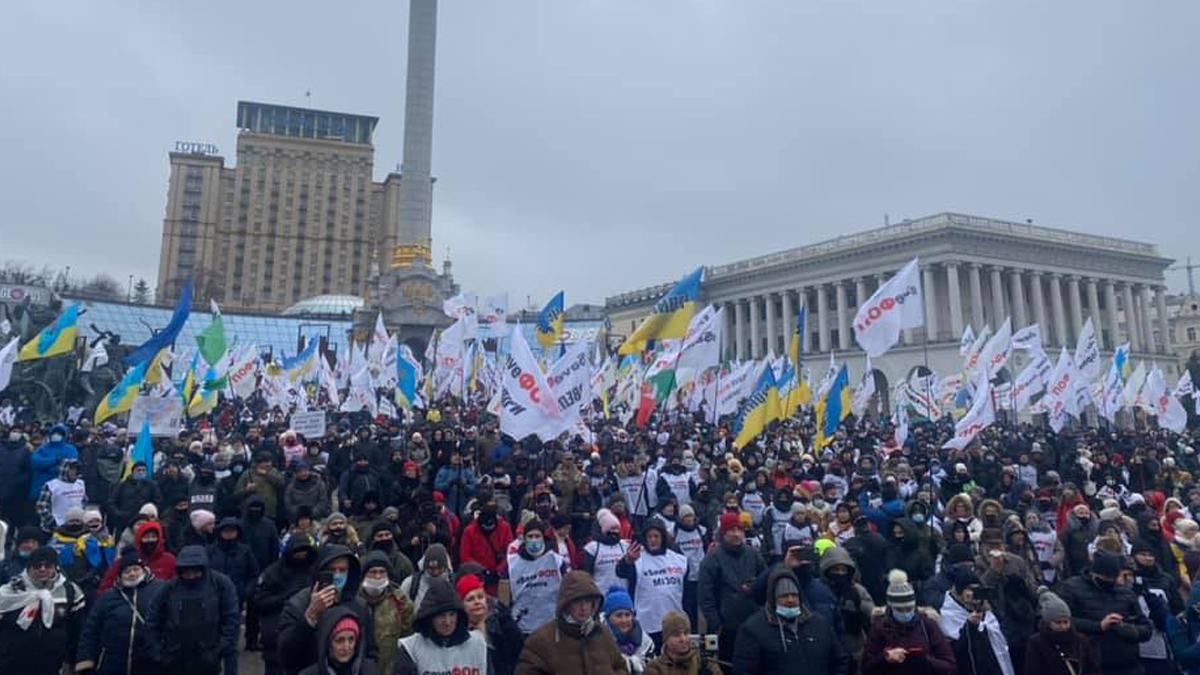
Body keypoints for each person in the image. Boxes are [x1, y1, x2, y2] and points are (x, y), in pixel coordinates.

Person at [276, 543, 377, 675]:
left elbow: (369, 651)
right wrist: (310, 616)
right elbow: (285, 654)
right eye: (332, 570)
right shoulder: (298, 604)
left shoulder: (360, 606)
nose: (337, 575)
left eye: (342, 570)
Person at [733, 566, 849, 675]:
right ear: (773, 598)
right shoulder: (753, 629)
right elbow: (744, 671)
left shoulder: (819, 624)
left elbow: (840, 660)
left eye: (794, 595)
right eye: (784, 596)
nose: (790, 600)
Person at [145, 545, 241, 675]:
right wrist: (159, 654)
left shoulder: (221, 584)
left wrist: (219, 649)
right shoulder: (169, 588)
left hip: (209, 658)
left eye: (195, 571)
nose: (191, 576)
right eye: (186, 572)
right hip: (175, 659)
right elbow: (152, 619)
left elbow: (232, 619)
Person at [1057, 549, 1152, 675]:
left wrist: (1132, 631)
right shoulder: (1071, 588)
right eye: (1105, 577)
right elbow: (1063, 622)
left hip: (1127, 663)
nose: (1109, 581)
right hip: (1090, 663)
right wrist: (1098, 626)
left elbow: (1146, 627)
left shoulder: (1126, 593)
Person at [516, 569, 627, 675]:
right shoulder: (541, 640)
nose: (583, 608)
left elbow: (620, 667)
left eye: (588, 601)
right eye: (577, 602)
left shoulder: (602, 633)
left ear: (594, 604)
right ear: (567, 604)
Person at [0, 545, 86, 675]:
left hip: (52, 663)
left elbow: (76, 630)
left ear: (55, 567)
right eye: (37, 566)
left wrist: (71, 660)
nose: (42, 569)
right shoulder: (10, 591)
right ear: (28, 567)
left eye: (48, 566)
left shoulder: (70, 591)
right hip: (12, 664)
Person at [74, 551, 164, 675]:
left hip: (150, 664)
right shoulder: (107, 598)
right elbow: (91, 630)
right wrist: (85, 661)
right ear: (120, 576)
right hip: (113, 664)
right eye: (127, 571)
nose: (132, 574)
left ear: (143, 570)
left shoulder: (160, 591)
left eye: (135, 569)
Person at [699, 512, 767, 666]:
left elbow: (765, 580)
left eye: (739, 530)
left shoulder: (753, 554)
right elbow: (705, 594)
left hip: (753, 621)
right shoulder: (712, 559)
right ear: (723, 533)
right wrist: (716, 622)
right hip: (727, 627)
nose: (736, 534)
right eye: (731, 530)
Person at [861, 569, 957, 675]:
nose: (906, 613)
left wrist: (926, 660)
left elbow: (949, 664)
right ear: (891, 607)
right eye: (900, 610)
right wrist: (885, 658)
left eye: (909, 608)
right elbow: (866, 668)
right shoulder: (880, 628)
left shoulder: (928, 625)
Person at [253, 533, 318, 675]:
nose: (301, 557)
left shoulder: (315, 572)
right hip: (275, 639)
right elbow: (259, 601)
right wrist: (285, 598)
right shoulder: (273, 572)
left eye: (304, 553)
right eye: (297, 553)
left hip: (307, 642)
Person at [394, 577, 488, 675]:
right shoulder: (411, 649)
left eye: (452, 614)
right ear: (430, 618)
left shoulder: (478, 644)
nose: (447, 622)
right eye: (441, 616)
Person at [617, 519, 689, 645]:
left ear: (663, 537)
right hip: (648, 623)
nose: (653, 540)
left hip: (674, 621)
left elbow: (687, 588)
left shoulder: (677, 558)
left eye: (656, 536)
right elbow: (621, 572)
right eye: (649, 536)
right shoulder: (638, 559)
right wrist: (628, 560)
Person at [938, 566, 1015, 675]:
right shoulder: (949, 615)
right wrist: (969, 626)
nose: (974, 593)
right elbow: (955, 649)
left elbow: (1000, 643)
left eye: (977, 589)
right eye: (969, 589)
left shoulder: (987, 614)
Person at [506, 519, 569, 635]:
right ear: (524, 539)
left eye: (537, 536)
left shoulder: (556, 561)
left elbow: (567, 589)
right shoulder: (512, 563)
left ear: (543, 537)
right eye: (530, 536)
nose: (534, 539)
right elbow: (505, 597)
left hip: (551, 624)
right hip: (523, 626)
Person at [357, 550, 414, 675]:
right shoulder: (354, 600)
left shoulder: (401, 602)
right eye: (373, 572)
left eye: (382, 572)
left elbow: (408, 639)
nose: (378, 576)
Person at [458, 570, 524, 675]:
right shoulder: (458, 630)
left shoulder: (502, 622)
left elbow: (517, 651)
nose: (477, 602)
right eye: (470, 599)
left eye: (480, 597)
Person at [1023, 589, 1100, 675]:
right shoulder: (1036, 642)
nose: (1063, 626)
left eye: (1066, 622)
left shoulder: (1080, 640)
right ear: (1048, 622)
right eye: (1058, 622)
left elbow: (1092, 668)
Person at [99, 519, 175, 592]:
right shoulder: (126, 560)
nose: (150, 540)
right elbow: (105, 587)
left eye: (153, 537)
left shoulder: (169, 560)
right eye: (146, 537)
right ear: (139, 539)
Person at [299, 607, 379, 675]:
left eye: (351, 639)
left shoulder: (369, 670)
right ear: (328, 643)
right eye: (339, 640)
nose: (346, 647)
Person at [644, 610, 724, 675]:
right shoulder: (655, 668)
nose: (683, 639)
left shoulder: (703, 663)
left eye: (686, 633)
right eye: (676, 635)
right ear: (666, 639)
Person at [459, 502, 513, 595]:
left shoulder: (505, 528)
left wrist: (499, 571)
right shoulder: (469, 531)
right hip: (477, 579)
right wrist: (482, 571)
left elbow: (510, 553)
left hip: (499, 579)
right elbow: (465, 556)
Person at [604, 585, 655, 674]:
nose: (624, 620)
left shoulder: (646, 641)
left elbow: (652, 667)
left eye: (627, 615)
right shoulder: (600, 638)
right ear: (608, 618)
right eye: (619, 615)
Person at [36, 458, 87, 534]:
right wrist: (53, 523)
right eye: (72, 469)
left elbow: (84, 503)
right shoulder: (51, 486)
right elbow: (41, 507)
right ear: (65, 469)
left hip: (77, 528)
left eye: (77, 469)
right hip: (55, 528)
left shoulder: (81, 484)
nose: (75, 472)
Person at [399, 542, 452, 609]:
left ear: (445, 567)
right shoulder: (410, 584)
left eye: (439, 568)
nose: (435, 572)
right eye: (431, 569)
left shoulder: (453, 582)